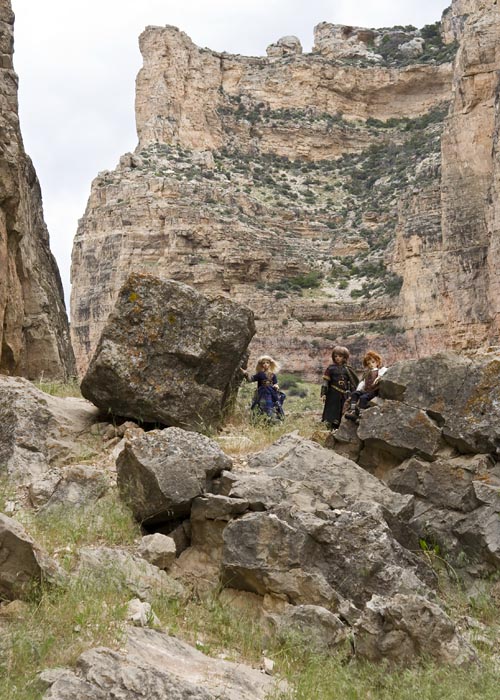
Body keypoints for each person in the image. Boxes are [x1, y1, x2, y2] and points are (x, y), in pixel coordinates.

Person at [320, 346, 358, 431]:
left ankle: (340, 429)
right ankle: (330, 428)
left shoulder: (348, 369)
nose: (337, 358)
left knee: (342, 410)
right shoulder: (330, 368)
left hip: (344, 394)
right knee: (332, 411)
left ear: (345, 357)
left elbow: (352, 383)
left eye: (340, 356)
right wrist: (323, 394)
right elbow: (325, 382)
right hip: (332, 394)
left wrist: (354, 393)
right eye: (336, 356)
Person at [345, 350, 387, 421]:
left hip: (374, 391)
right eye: (368, 363)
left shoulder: (380, 370)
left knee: (363, 398)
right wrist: (358, 390)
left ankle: (361, 415)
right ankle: (353, 410)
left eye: (373, 362)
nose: (371, 364)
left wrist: (378, 378)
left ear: (377, 362)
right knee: (355, 393)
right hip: (366, 390)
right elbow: (362, 383)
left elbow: (384, 371)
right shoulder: (366, 373)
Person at [242, 355, 285, 421]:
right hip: (261, 392)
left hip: (271, 392)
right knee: (259, 405)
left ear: (270, 364)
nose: (265, 364)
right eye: (263, 363)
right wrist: (246, 374)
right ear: (261, 365)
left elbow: (275, 383)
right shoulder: (260, 374)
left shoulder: (272, 375)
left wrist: (276, 386)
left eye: (267, 362)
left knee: (274, 404)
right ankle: (258, 420)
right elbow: (250, 379)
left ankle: (273, 418)